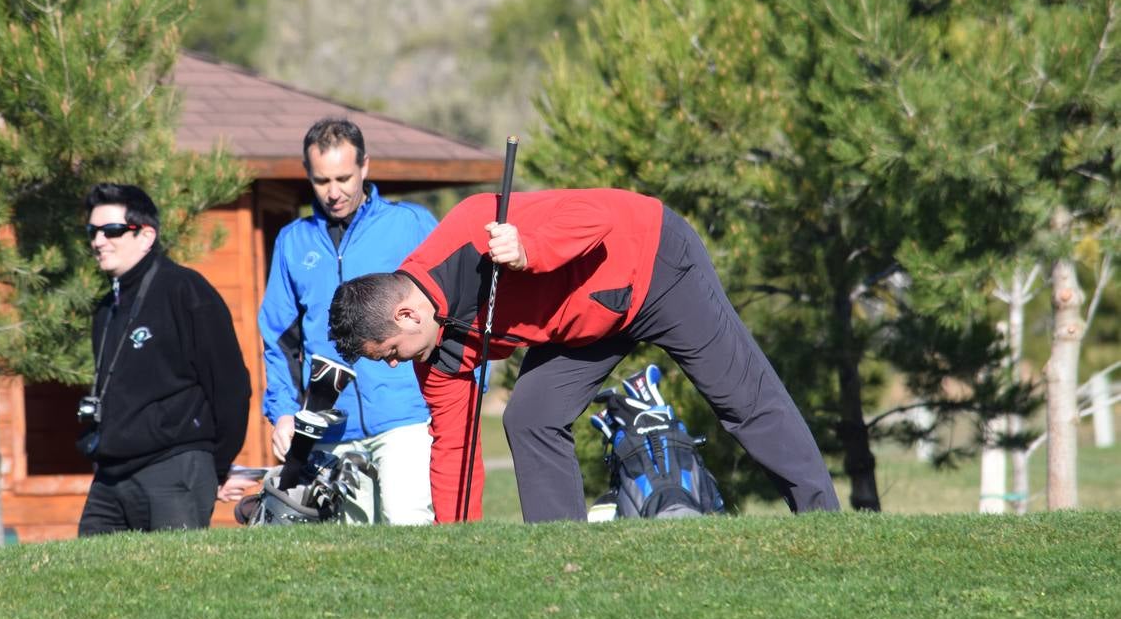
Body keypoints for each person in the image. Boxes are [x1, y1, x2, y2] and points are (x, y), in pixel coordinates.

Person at [329, 188, 841, 523]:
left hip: (653, 264)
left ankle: (823, 521)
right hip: (581, 325)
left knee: (742, 399)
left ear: (405, 317)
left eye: (390, 354)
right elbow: (454, 452)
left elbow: (593, 216)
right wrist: (458, 546)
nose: (395, 365)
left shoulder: (472, 227)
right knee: (530, 415)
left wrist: (530, 249)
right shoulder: (435, 353)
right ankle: (562, 552)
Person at [254, 118, 438, 524]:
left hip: (406, 413)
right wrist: (284, 412)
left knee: (408, 525)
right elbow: (280, 339)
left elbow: (454, 308)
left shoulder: (411, 224)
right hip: (330, 428)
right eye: (321, 180)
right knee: (353, 551)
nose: (333, 192)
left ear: (365, 167)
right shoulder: (292, 241)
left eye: (343, 177)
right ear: (308, 174)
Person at [78, 183, 250, 535]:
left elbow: (231, 387)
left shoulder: (185, 291)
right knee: (90, 580)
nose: (98, 241)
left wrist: (215, 466)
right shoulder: (105, 308)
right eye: (92, 231)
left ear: (146, 236)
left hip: (174, 470)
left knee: (176, 583)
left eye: (112, 230)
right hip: (111, 477)